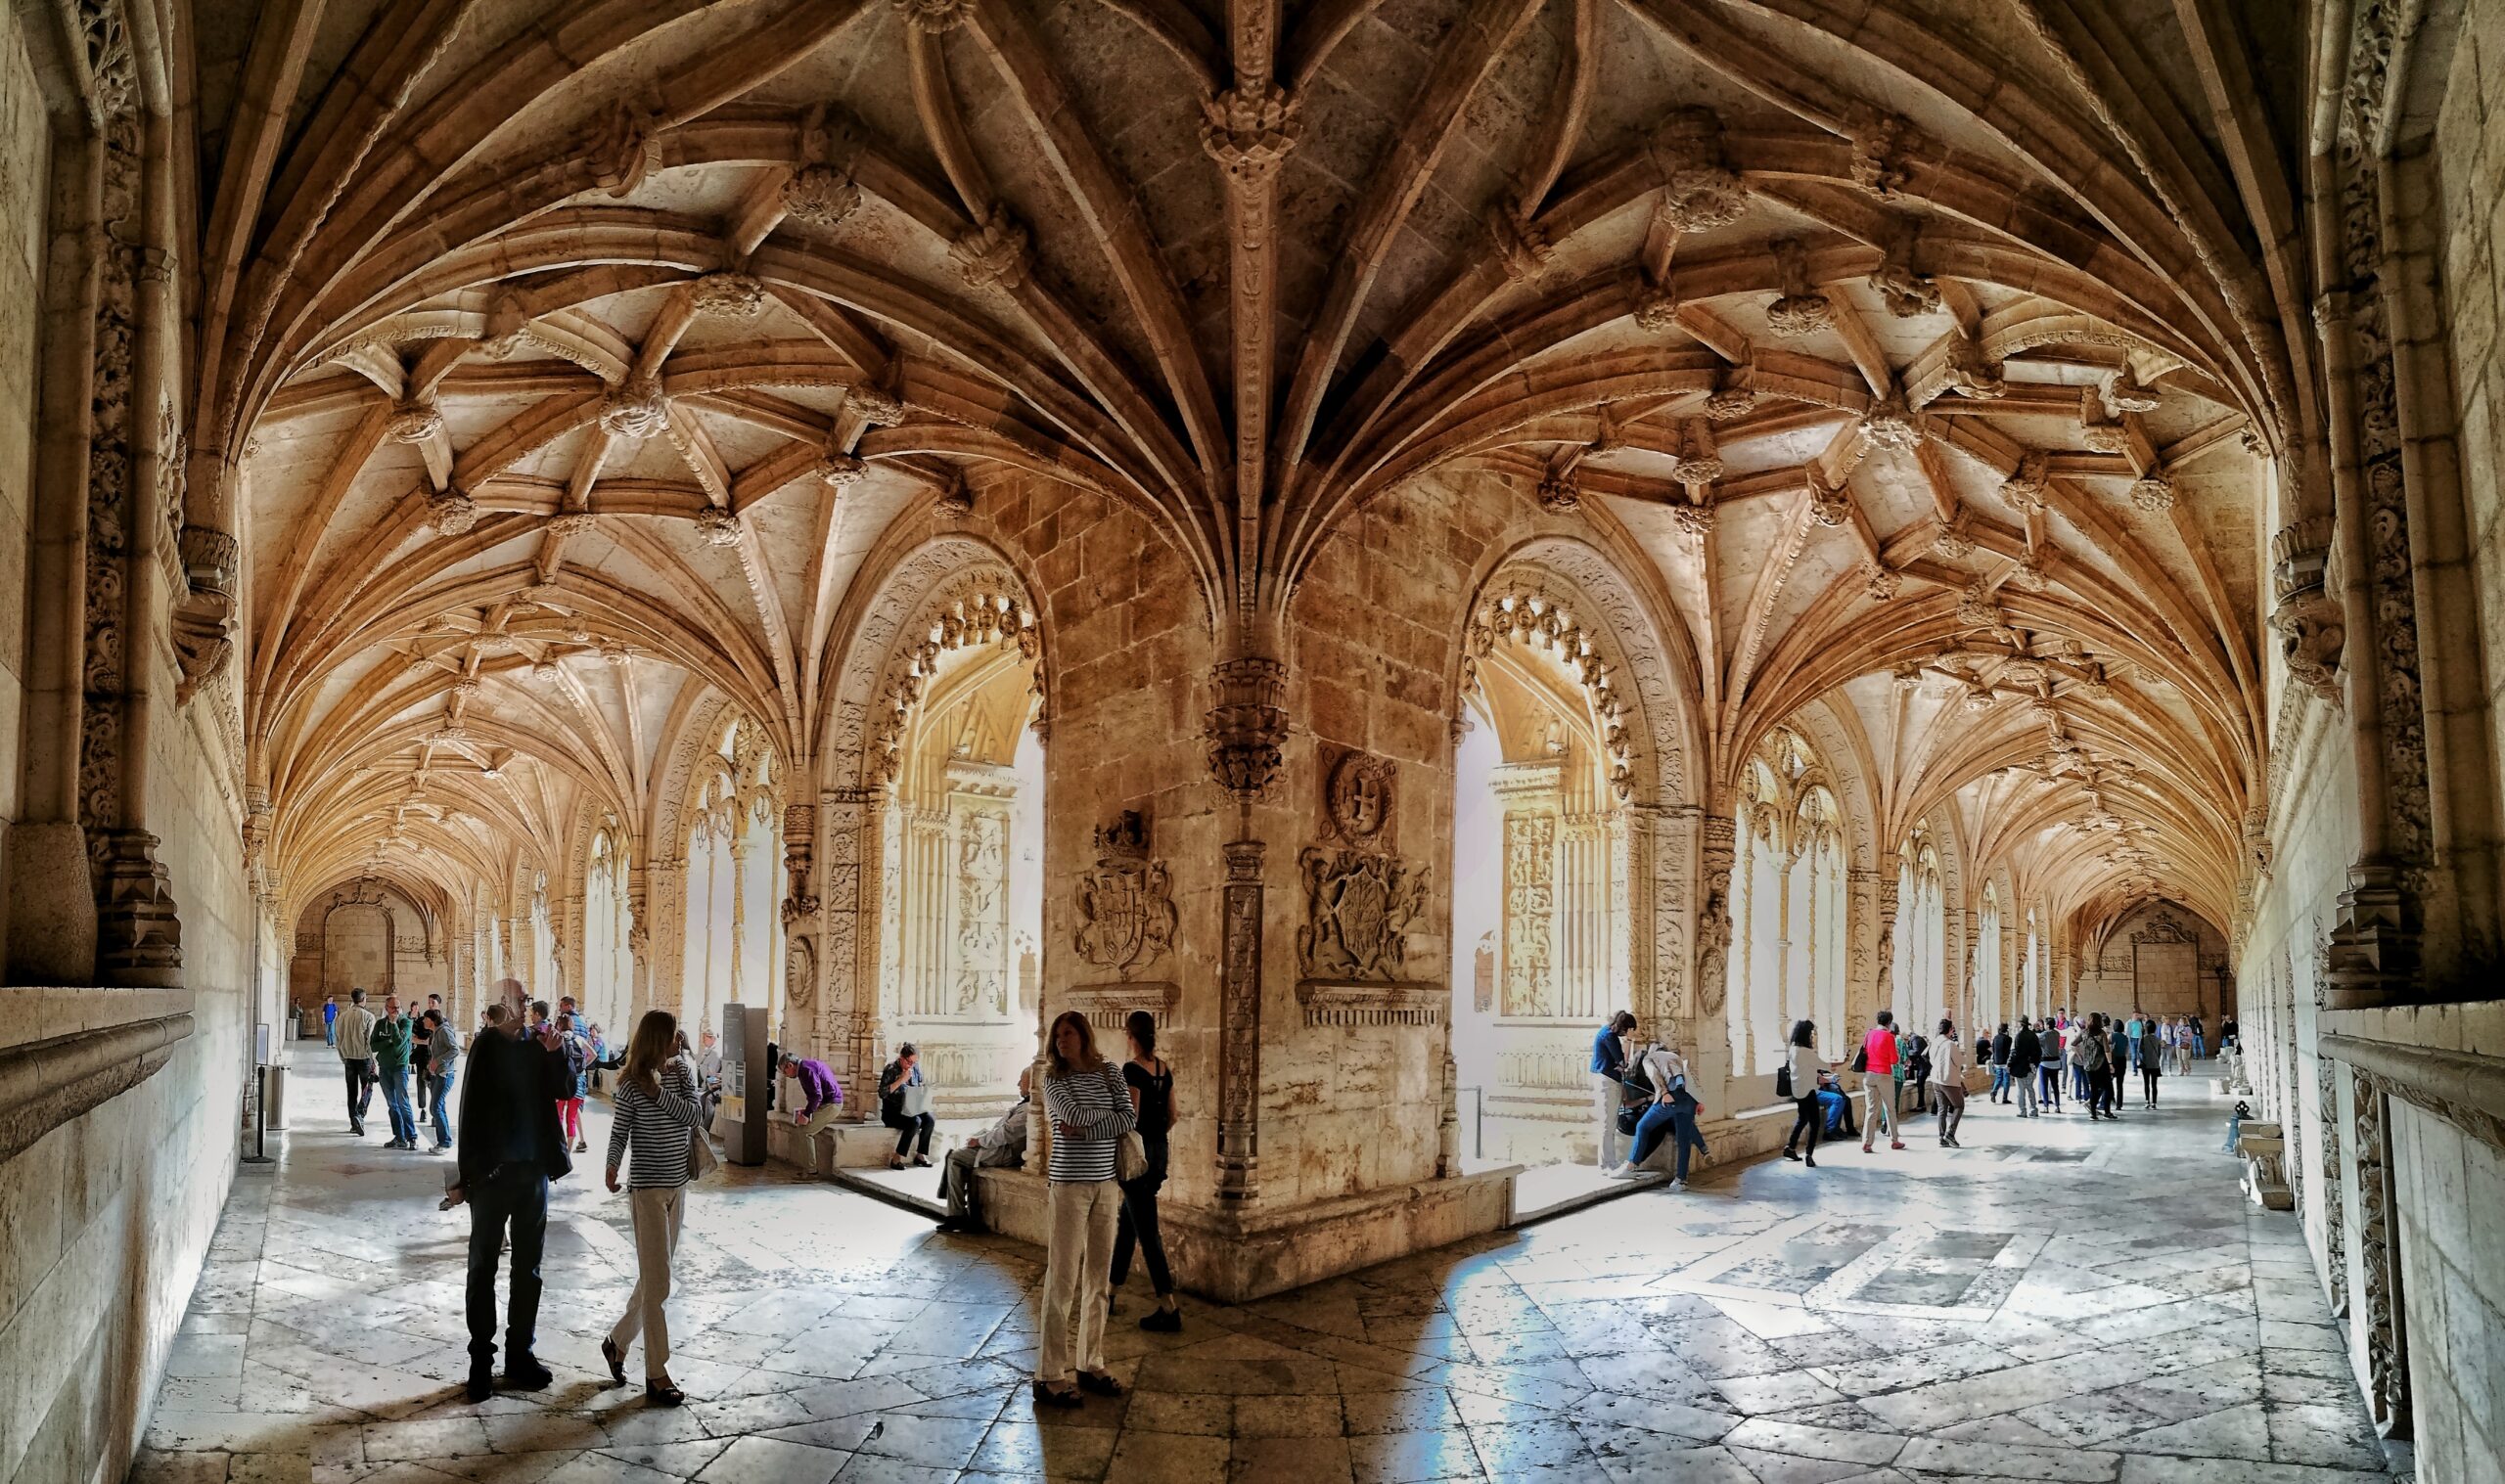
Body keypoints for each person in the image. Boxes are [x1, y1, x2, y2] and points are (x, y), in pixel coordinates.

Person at [450, 984, 573, 1402]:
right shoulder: (485, 1047)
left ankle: (520, 1354)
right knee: (482, 1266)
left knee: (529, 1269)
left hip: (532, 1173)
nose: (526, 1006)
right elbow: (467, 1113)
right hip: (491, 1177)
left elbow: (567, 1090)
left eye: (525, 1001)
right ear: (504, 1005)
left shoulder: (540, 1044)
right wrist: (465, 1179)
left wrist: (558, 1053)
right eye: (520, 1001)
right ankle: (480, 1362)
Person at [600, 1010, 709, 1408]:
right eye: (672, 1034)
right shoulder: (628, 1084)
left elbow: (695, 1115)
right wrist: (611, 1165)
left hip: (678, 1185)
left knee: (653, 1278)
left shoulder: (682, 1071)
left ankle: (617, 1343)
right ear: (656, 1039)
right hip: (646, 1190)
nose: (679, 1039)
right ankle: (656, 1374)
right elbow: (620, 1131)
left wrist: (658, 1092)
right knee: (659, 1283)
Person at [1035, 1011, 1134, 1408]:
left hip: (1106, 1184)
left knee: (1099, 1278)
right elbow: (1068, 1115)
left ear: (1083, 1035)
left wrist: (1088, 1128)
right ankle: (1049, 1374)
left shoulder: (1110, 1071)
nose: (1062, 1040)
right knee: (1062, 1279)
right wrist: (1102, 1121)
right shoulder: (1053, 1078)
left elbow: (1129, 1117)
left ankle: (1091, 1361)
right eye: (1057, 1035)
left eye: (1069, 1033)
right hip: (1069, 1186)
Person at [1111, 1012, 1181, 1330]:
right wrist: (1158, 1135)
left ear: (1130, 1035)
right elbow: (1174, 1113)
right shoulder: (1163, 1069)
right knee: (1128, 1223)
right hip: (1159, 1152)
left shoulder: (1131, 1069)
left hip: (1137, 1157)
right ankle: (1109, 1291)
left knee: (1148, 1233)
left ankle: (1168, 1307)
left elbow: (1131, 1116)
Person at [937, 1070, 1029, 1234]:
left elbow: (1005, 1133)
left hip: (1003, 1152)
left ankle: (956, 1215)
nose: (1018, 1084)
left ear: (1031, 1083)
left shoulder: (1029, 1109)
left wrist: (980, 1141)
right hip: (998, 1148)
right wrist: (980, 1138)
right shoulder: (1026, 1105)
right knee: (956, 1154)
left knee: (955, 1157)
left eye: (1021, 1081)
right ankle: (955, 1210)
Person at [1612, 1038, 1707, 1189]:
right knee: (1683, 1132)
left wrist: (1662, 1094)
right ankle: (1687, 1171)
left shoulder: (1650, 1060)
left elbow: (1657, 1081)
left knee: (1647, 1126)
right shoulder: (1675, 1061)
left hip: (1656, 1106)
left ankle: (1632, 1165)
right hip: (1670, 1103)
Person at [781, 1055, 845, 1175]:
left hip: (832, 1105)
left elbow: (816, 1096)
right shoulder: (807, 1066)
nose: (787, 1076)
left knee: (804, 1132)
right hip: (828, 1103)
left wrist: (806, 1115)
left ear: (790, 1065)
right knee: (804, 1129)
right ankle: (810, 1169)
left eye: (785, 1072)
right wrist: (806, 1112)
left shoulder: (806, 1070)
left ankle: (811, 1172)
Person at [1590, 1011, 1635, 1170]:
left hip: (1607, 1080)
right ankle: (1607, 1164)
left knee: (1609, 1124)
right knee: (1607, 1125)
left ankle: (1609, 1161)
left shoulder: (1606, 1032)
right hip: (1607, 1082)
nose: (1626, 1035)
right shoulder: (1610, 1037)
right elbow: (1623, 1063)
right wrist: (1629, 1041)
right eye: (1628, 1031)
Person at [880, 1044, 936, 1169]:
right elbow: (882, 1093)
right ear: (901, 1057)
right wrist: (902, 1079)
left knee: (930, 1119)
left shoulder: (915, 1068)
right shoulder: (891, 1069)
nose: (911, 1065)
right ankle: (897, 1158)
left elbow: (917, 1088)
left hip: (911, 1108)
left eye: (914, 1062)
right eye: (909, 1062)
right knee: (915, 1122)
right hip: (894, 1112)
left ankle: (920, 1155)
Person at [373, 994, 419, 1148]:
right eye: (393, 1008)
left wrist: (393, 1027)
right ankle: (399, 1137)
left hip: (400, 1068)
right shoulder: (379, 1024)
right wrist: (389, 1041)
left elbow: (399, 1044)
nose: (396, 1010)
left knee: (403, 1102)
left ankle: (411, 1137)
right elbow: (373, 1046)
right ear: (386, 1009)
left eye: (398, 1007)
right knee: (392, 1104)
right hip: (385, 1068)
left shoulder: (405, 1022)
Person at [1781, 1020, 1825, 1167]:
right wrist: (1841, 1062)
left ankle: (1790, 1147)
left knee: (1802, 1118)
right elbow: (1824, 1065)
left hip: (1798, 1089)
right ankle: (1809, 1154)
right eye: (1811, 1033)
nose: (1813, 1036)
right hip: (1808, 1090)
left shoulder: (1793, 1049)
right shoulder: (1805, 1051)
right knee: (1815, 1122)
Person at [336, 988, 378, 1135]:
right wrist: (374, 1061)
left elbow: (338, 1039)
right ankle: (360, 1115)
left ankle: (354, 1123)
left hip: (349, 1059)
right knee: (368, 1088)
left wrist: (343, 1056)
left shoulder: (342, 1017)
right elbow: (370, 1042)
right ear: (364, 999)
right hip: (364, 1059)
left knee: (351, 1092)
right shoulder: (369, 1017)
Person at [1860, 1011, 1903, 1152]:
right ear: (1889, 1023)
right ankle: (1894, 1140)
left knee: (1871, 1110)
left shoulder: (1869, 1033)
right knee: (1890, 1109)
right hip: (1883, 1074)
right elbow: (1894, 1060)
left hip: (1869, 1075)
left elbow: (1865, 1051)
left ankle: (1867, 1143)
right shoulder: (1888, 1036)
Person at [422, 1009, 462, 1151]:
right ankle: (444, 1140)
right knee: (439, 1106)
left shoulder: (444, 1031)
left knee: (435, 1107)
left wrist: (438, 1061)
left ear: (432, 1020)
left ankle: (444, 1142)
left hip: (445, 1074)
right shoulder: (435, 1033)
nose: (423, 1021)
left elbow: (455, 1049)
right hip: (437, 1073)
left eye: (425, 1018)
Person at [556, 1014, 591, 1154]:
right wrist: (582, 1067)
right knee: (571, 1118)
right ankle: (568, 1153)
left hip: (561, 1083)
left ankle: (559, 1149)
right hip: (578, 1082)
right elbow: (593, 1054)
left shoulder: (557, 1039)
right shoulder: (579, 1039)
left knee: (559, 1117)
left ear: (559, 1025)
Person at [1933, 1017, 1967, 1147]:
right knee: (1959, 1106)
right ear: (1951, 1030)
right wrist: (1964, 1056)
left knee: (1942, 1109)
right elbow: (1959, 1061)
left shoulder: (1935, 1042)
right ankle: (1950, 1134)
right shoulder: (1950, 1044)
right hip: (1948, 1079)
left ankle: (1942, 1137)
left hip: (1936, 1079)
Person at [2079, 1013, 2116, 1120]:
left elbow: (2073, 1044)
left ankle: (2093, 1114)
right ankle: (2107, 1112)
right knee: (2108, 1089)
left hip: (2088, 1065)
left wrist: (2082, 1056)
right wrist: (2110, 1064)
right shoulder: (2101, 1033)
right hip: (2101, 1065)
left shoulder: (2084, 1033)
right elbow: (2106, 1050)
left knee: (2094, 1089)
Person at [2009, 1017, 2041, 1118]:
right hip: (2031, 1066)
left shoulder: (2019, 1036)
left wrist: (2009, 1063)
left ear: (2021, 1025)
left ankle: (2022, 1110)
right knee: (2030, 1088)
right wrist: (2035, 1063)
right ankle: (2034, 1109)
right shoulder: (2033, 1035)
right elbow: (2039, 1051)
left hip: (2020, 1066)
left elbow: (2015, 1052)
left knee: (2021, 1090)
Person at [2038, 1018, 2066, 1112]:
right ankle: (2057, 1106)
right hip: (2056, 1062)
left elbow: (2037, 1044)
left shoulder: (2043, 1035)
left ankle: (2046, 1106)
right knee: (2055, 1085)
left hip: (2045, 1063)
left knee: (2044, 1085)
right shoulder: (2057, 1033)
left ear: (2047, 1025)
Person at [1988, 1022, 2012, 1103]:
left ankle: (1994, 1092)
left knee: (1998, 1078)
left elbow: (1993, 1050)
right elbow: (2009, 1050)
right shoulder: (2008, 1039)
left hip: (1997, 1061)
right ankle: (2005, 1098)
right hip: (2005, 1062)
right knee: (2006, 1080)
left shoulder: (1995, 1038)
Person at [2141, 1026, 2165, 1107]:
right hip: (2155, 1064)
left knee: (2146, 1083)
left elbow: (2140, 1051)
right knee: (2154, 1084)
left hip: (2146, 1064)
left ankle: (2147, 1101)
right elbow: (2159, 1052)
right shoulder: (2157, 1039)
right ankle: (2154, 1102)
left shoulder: (2143, 1039)